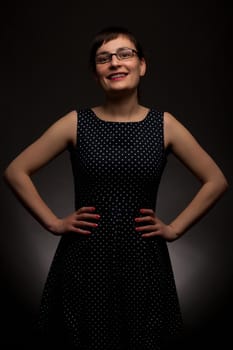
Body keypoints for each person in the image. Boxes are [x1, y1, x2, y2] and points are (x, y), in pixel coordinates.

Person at [3, 26, 228, 349]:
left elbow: (216, 180)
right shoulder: (75, 122)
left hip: (144, 261)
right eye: (104, 58)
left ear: (142, 65)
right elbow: (16, 170)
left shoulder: (164, 125)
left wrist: (175, 228)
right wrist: (53, 222)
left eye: (125, 54)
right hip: (84, 260)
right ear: (96, 74)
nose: (115, 63)